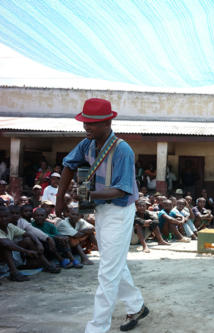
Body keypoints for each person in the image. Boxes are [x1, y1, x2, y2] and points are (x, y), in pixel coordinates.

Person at [55, 98, 148, 332]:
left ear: (107, 123)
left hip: (119, 211)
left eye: (92, 123)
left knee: (107, 271)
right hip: (101, 210)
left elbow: (122, 189)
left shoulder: (123, 150)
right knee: (113, 263)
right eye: (85, 121)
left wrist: (88, 194)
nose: (87, 126)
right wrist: (59, 198)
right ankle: (136, 305)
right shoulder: (87, 144)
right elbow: (68, 165)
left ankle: (97, 327)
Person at [0, 206, 40, 281]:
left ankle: (44, 263)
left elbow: (28, 233)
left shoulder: (10, 226)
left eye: (6, 216)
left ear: (9, 217)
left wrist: (38, 243)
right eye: (1, 217)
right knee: (5, 247)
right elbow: (6, 243)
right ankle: (14, 273)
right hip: (2, 258)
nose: (3, 219)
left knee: (28, 240)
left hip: (8, 258)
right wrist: (27, 251)